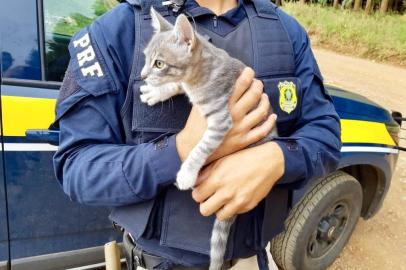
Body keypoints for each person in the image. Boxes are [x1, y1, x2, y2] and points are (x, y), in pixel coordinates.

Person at [53, 0, 341, 269]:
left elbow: (326, 134)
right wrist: (181, 148)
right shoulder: (118, 30)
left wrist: (277, 159)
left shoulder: (286, 31)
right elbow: (77, 167)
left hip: (252, 260)